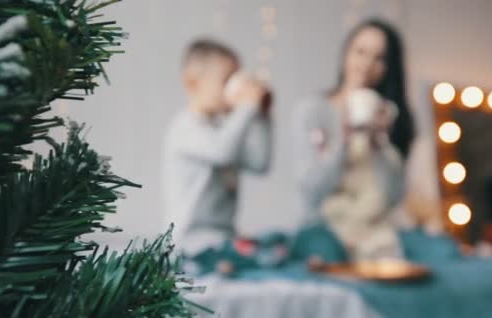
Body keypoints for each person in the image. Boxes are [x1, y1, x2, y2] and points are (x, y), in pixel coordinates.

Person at [292, 19, 415, 260]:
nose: (367, 64)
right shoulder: (312, 111)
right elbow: (310, 193)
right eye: (360, 51)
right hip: (324, 229)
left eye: (379, 58)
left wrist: (379, 144)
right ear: (346, 53)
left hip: (380, 230)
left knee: (438, 248)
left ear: (388, 68)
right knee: (325, 253)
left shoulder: (389, 116)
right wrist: (344, 143)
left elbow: (395, 197)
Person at [163, 39, 272, 267]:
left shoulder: (224, 129)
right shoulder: (185, 127)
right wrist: (246, 107)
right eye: (227, 80)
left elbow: (259, 163)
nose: (236, 88)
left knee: (271, 249)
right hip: (189, 242)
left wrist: (262, 116)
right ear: (192, 83)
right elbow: (221, 150)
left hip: (222, 237)